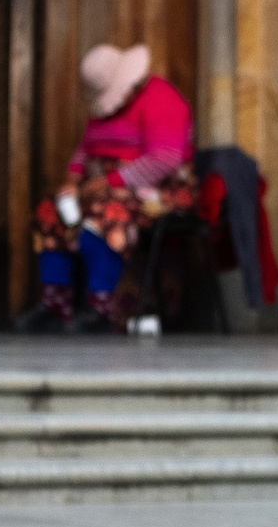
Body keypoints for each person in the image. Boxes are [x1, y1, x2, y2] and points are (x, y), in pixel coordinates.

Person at [16, 44, 197, 333]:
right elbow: (85, 150)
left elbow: (164, 160)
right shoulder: (106, 108)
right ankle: (55, 304)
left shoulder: (162, 99)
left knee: (103, 215)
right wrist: (72, 182)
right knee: (51, 211)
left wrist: (110, 183)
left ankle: (102, 309)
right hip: (104, 184)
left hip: (158, 188)